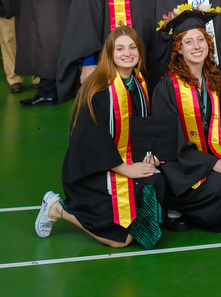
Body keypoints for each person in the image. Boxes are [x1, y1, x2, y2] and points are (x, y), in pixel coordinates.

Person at [34, 26, 165, 248]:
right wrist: (124, 168)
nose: (127, 53)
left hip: (126, 159)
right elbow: (90, 142)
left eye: (132, 47)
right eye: (120, 48)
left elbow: (144, 128)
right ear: (109, 53)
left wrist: (149, 155)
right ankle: (57, 209)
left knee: (154, 177)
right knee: (120, 241)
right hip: (93, 170)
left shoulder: (139, 83)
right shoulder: (96, 87)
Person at [151, 6, 221, 231]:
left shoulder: (211, 79)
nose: (196, 46)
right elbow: (168, 142)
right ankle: (178, 206)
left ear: (208, 44)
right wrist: (212, 163)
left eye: (200, 40)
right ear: (179, 49)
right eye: (188, 42)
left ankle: (194, 209)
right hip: (181, 165)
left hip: (209, 152)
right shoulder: (167, 87)